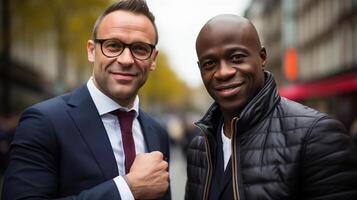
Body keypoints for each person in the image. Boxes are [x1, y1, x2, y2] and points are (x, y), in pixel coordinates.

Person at [2, 0, 171, 199]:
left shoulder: (157, 131)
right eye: (113, 46)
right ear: (92, 51)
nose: (126, 60)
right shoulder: (43, 122)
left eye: (140, 49)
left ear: (153, 59)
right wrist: (127, 189)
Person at [185, 14, 357, 200]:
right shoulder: (199, 147)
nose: (223, 72)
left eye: (236, 57)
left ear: (262, 58)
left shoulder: (317, 135)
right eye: (209, 64)